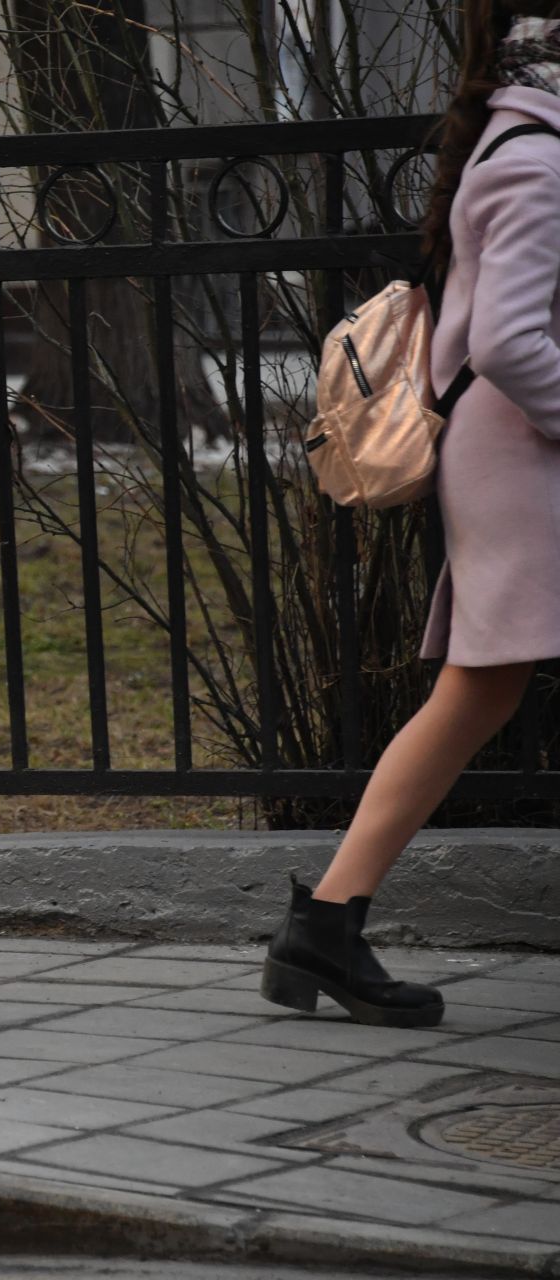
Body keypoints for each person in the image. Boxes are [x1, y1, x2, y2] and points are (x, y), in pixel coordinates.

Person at [260, 0, 560, 1029]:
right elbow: (517, 344)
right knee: (476, 688)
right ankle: (327, 921)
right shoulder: (534, 159)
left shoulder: (518, 139)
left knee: (477, 693)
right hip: (527, 460)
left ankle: (327, 922)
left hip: (516, 455)